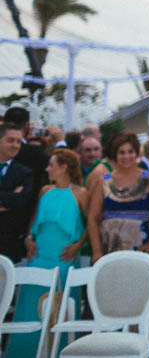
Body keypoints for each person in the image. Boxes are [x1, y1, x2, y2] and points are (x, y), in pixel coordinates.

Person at [8, 149, 87, 358]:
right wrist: (28, 239)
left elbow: (92, 224)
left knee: (61, 305)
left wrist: (79, 244)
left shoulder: (81, 193)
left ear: (64, 167)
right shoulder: (45, 190)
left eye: (51, 164)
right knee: (30, 304)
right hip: (39, 253)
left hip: (64, 255)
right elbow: (34, 219)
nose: (47, 168)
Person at [86, 132, 149, 259]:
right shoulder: (105, 179)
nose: (126, 156)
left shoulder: (147, 177)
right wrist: (97, 251)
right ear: (115, 155)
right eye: (122, 152)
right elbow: (92, 217)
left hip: (139, 252)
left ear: (137, 153)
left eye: (130, 151)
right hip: (108, 251)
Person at [0, 122, 35, 261]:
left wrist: (14, 198)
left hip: (8, 243)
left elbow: (20, 201)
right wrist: (10, 196)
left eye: (19, 141)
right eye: (10, 140)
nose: (15, 145)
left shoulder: (25, 172)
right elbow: (14, 199)